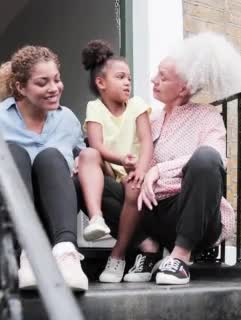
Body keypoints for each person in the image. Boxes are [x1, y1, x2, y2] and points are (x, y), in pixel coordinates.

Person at [75, 32, 241, 285]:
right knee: (85, 180)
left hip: (191, 213)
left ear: (184, 88)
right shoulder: (148, 118)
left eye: (162, 77)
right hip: (151, 212)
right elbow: (119, 150)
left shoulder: (208, 116)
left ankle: (180, 257)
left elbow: (216, 158)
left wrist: (158, 170)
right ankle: (148, 247)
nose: (153, 80)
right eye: (156, 73)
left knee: (205, 158)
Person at [0, 45, 88, 291]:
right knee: (13, 152)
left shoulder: (67, 119)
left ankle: (67, 255)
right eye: (42, 82)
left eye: (57, 80)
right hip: (3, 220)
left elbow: (85, 165)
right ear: (20, 87)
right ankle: (26, 255)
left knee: (50, 157)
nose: (54, 88)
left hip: (51, 219)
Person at [76, 40, 153, 283]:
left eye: (129, 77)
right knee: (87, 155)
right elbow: (96, 145)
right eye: (120, 77)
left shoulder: (138, 106)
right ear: (101, 83)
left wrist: (140, 168)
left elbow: (147, 142)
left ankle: (118, 254)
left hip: (135, 174)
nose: (127, 82)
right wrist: (121, 159)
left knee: (133, 187)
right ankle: (96, 218)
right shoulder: (94, 108)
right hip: (111, 170)